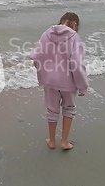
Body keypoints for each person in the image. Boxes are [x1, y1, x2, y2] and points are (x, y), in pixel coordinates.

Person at [30, 12, 89, 150]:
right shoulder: (75, 38)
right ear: (75, 24)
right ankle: (64, 142)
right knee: (69, 109)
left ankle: (51, 141)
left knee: (52, 110)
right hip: (68, 82)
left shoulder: (46, 34)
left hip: (50, 81)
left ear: (61, 21)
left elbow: (36, 56)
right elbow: (77, 64)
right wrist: (83, 86)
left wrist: (44, 74)